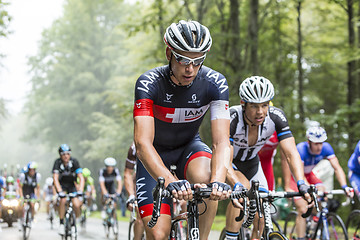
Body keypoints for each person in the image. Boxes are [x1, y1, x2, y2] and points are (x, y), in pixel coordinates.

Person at [133, 19, 232, 240]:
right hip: (154, 154)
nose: (190, 69)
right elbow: (142, 144)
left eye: (198, 62)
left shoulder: (216, 83)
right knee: (158, 234)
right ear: (169, 53)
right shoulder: (148, 83)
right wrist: (171, 181)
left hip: (189, 147)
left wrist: (218, 180)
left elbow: (221, 142)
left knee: (207, 179)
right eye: (183, 60)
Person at [224, 76, 311, 240]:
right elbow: (224, 161)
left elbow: (291, 153)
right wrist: (235, 184)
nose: (260, 112)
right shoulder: (232, 117)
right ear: (243, 104)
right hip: (230, 164)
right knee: (242, 192)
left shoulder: (276, 116)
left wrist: (301, 182)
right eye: (254, 106)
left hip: (252, 164)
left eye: (264, 105)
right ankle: (230, 237)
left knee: (263, 208)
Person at [288, 126, 353, 240]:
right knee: (303, 208)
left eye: (321, 143)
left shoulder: (326, 148)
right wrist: (308, 189)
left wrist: (344, 186)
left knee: (323, 191)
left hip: (310, 174)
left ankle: (314, 220)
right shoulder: (301, 149)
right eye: (316, 144)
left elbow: (337, 168)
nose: (319, 147)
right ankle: (301, 237)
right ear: (309, 142)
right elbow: (301, 174)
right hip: (297, 177)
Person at [52, 144, 84, 235]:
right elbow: (55, 178)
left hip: (71, 185)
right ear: (60, 155)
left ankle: (74, 224)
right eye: (63, 154)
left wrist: (80, 190)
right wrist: (59, 191)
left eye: (68, 154)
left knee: (77, 205)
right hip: (62, 185)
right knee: (63, 200)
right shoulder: (57, 163)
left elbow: (81, 177)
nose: (66, 156)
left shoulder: (74, 162)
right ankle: (61, 223)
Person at [124, 142, 144, 240]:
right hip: (141, 182)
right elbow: (127, 174)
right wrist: (131, 196)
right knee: (141, 216)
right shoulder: (134, 147)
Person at [99, 157, 122, 223]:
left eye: (112, 167)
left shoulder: (116, 171)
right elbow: (101, 184)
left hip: (111, 185)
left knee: (114, 202)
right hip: (104, 185)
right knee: (103, 196)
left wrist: (119, 191)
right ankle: (103, 209)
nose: (110, 168)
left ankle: (114, 219)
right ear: (106, 167)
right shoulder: (102, 171)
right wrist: (105, 193)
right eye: (108, 167)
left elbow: (119, 181)